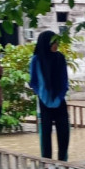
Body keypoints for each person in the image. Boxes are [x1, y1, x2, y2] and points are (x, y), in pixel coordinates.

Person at [29, 31, 70, 161]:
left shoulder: (60, 58)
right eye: (54, 42)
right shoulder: (36, 60)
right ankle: (47, 163)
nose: (56, 45)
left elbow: (64, 80)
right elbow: (33, 81)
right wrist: (41, 93)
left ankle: (63, 161)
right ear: (46, 43)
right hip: (43, 100)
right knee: (45, 134)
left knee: (64, 132)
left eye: (57, 42)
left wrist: (60, 96)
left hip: (59, 99)